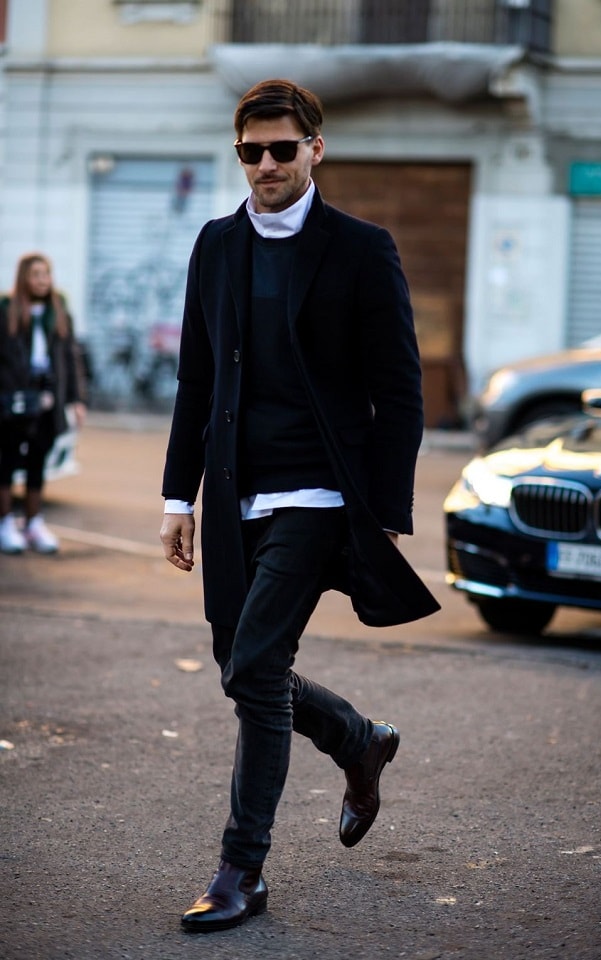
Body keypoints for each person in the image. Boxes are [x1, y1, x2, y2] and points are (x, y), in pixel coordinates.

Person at [160, 78, 440, 933]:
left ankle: (241, 868)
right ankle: (358, 740)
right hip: (239, 492)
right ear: (239, 152)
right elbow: (197, 381)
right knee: (245, 667)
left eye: (284, 148)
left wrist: (386, 506)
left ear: (316, 148)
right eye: (253, 151)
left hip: (321, 493)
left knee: (252, 669)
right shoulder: (215, 245)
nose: (268, 164)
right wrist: (181, 496)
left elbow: (399, 389)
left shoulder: (360, 248)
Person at [0, 253, 86, 553]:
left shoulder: (58, 311)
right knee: (7, 460)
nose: (42, 280)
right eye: (36, 274)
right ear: (24, 278)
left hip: (48, 398)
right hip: (14, 399)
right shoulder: (7, 310)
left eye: (46, 274)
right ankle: (6, 522)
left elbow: (71, 358)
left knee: (39, 459)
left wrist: (76, 399)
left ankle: (33, 522)